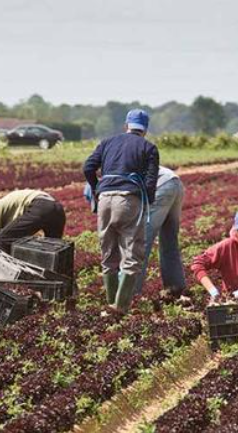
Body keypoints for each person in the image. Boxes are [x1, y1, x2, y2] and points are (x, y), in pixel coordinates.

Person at [83, 109, 160, 314]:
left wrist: (96, 188)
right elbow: (151, 182)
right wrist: (147, 202)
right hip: (128, 200)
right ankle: (120, 308)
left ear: (126, 125)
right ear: (144, 130)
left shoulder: (107, 142)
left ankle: (110, 306)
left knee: (108, 254)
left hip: (105, 200)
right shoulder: (149, 147)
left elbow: (88, 167)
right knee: (132, 255)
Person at [133, 165, 186, 296]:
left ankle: (130, 294)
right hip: (174, 182)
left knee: (141, 242)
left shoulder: (110, 177)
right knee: (169, 240)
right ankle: (175, 288)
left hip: (160, 186)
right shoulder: (121, 160)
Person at [0, 189, 66, 253]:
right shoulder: (8, 204)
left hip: (40, 205)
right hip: (58, 209)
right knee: (53, 249)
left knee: (2, 240)